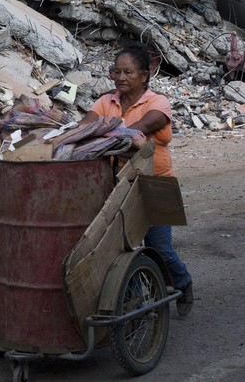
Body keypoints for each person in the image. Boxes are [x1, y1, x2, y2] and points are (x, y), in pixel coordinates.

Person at [81, 45, 193, 316]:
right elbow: (86, 125)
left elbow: (142, 128)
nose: (121, 77)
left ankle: (182, 282)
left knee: (159, 247)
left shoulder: (158, 102)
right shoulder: (106, 102)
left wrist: (104, 135)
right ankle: (136, 305)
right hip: (118, 186)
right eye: (116, 71)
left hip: (155, 183)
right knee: (120, 250)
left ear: (144, 75)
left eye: (128, 72)